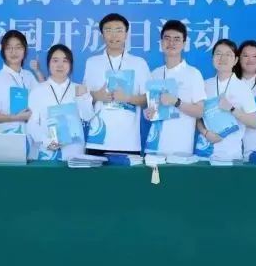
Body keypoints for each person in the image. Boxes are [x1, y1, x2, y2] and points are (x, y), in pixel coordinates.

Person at [82, 13, 150, 155]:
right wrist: (97, 96)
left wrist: (128, 98)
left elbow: (149, 100)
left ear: (126, 34)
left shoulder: (139, 63)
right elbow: (82, 98)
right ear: (102, 35)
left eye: (119, 30)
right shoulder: (92, 63)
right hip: (98, 140)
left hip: (129, 142)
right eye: (108, 30)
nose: (114, 35)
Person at [143, 20, 205, 156]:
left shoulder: (193, 73)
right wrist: (147, 113)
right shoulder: (154, 74)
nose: (171, 43)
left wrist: (176, 102)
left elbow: (200, 112)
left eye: (177, 39)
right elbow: (152, 109)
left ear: (184, 44)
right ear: (161, 42)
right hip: (153, 147)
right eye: (167, 38)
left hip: (180, 148)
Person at [26, 45, 95, 161]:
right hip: (46, 152)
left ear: (71, 65)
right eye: (55, 60)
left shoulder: (79, 88)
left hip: (74, 152)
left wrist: (81, 98)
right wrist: (46, 141)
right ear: (48, 64)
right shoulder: (37, 91)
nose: (60, 65)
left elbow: (87, 116)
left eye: (65, 61)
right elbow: (32, 124)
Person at [197, 39, 256, 160]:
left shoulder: (243, 88)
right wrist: (205, 132)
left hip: (230, 154)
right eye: (218, 54)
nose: (223, 58)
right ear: (213, 58)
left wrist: (232, 109)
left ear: (235, 60)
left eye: (228, 54)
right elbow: (197, 117)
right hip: (204, 151)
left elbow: (254, 122)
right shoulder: (204, 85)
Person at [0, 30, 41, 136]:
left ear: (25, 50)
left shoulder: (29, 76)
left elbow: (44, 97)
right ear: (3, 51)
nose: (14, 52)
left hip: (31, 138)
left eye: (18, 47)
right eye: (9, 48)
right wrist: (16, 117)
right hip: (8, 139)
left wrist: (37, 71)